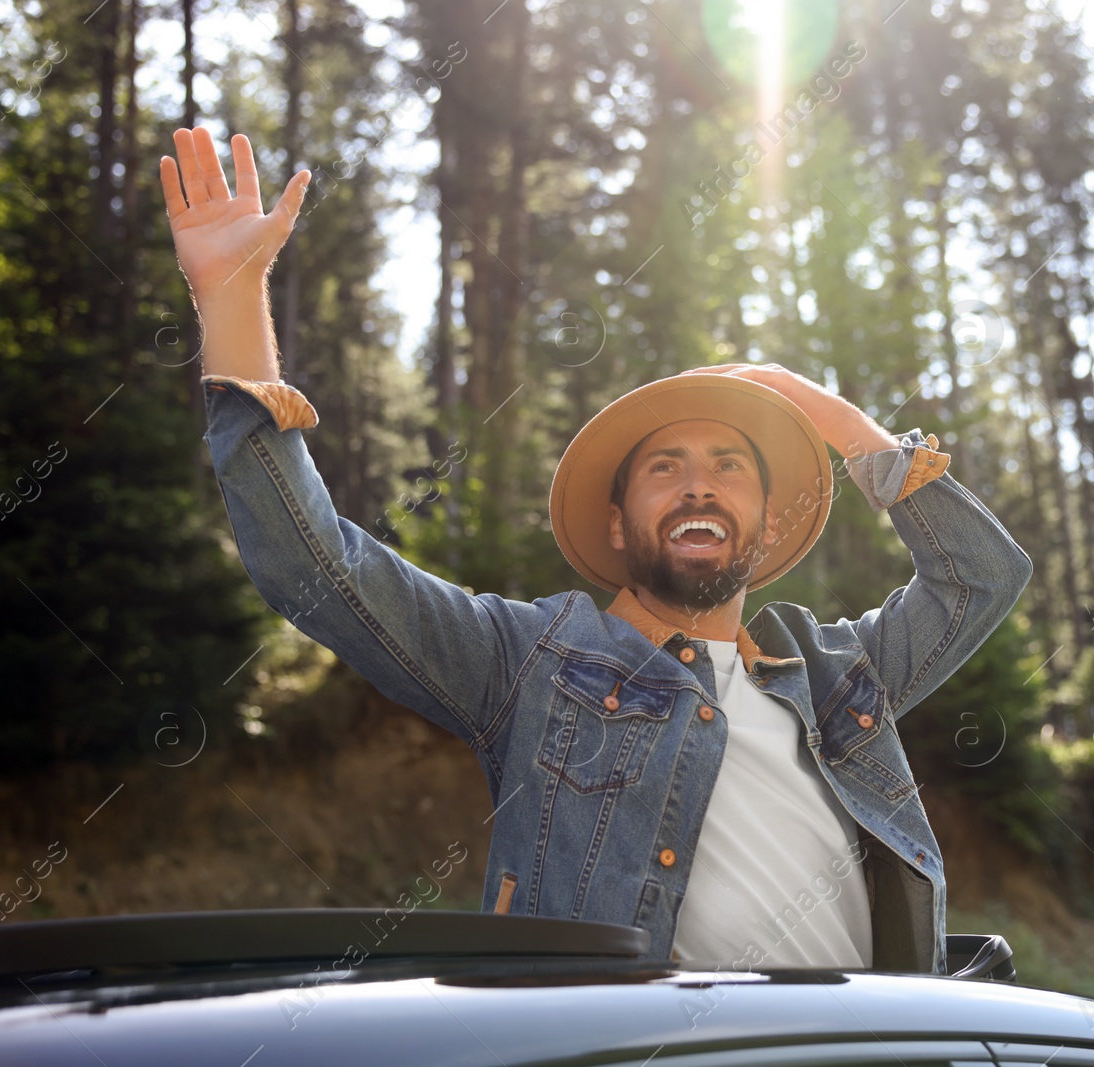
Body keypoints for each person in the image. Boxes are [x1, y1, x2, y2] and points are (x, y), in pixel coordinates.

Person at [159, 126, 1032, 975]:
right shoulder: (527, 661)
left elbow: (983, 577)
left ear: (764, 526)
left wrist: (834, 418)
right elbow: (316, 567)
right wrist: (235, 299)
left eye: (730, 465)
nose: (700, 485)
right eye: (666, 466)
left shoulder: (841, 675)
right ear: (617, 523)